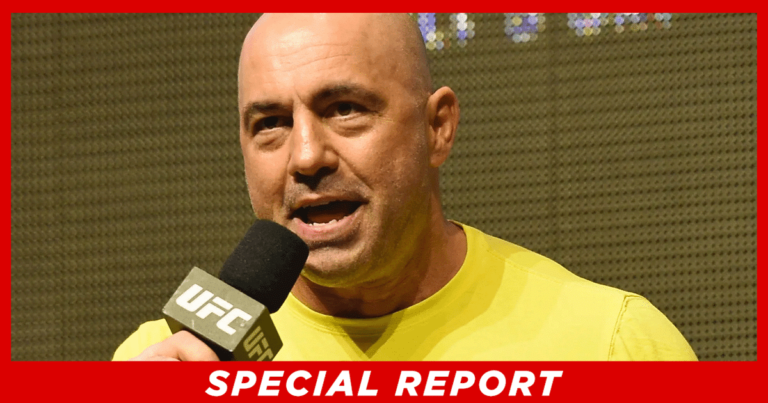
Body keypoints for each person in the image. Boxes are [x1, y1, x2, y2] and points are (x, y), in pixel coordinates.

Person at [113, 13, 697, 361]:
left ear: (437, 127)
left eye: (345, 109)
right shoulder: (169, 360)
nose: (306, 156)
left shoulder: (612, 347)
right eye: (271, 124)